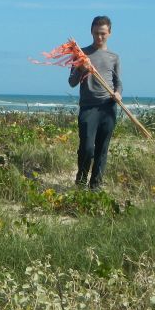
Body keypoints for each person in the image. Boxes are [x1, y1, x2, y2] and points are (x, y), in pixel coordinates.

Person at [68, 15, 123, 189]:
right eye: (96, 33)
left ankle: (95, 186)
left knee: (102, 149)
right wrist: (80, 69)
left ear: (109, 33)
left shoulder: (113, 57)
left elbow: (118, 83)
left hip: (108, 107)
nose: (99, 37)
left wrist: (118, 94)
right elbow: (71, 82)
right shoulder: (81, 54)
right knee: (87, 147)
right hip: (88, 107)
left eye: (103, 34)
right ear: (91, 31)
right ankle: (81, 181)